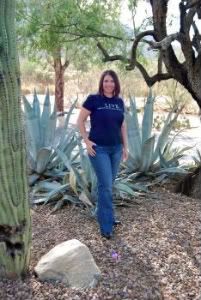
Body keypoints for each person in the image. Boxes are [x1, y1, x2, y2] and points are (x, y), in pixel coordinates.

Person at [77, 70, 128, 239]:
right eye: (106, 81)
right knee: (106, 186)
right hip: (99, 149)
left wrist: (125, 147)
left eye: (112, 81)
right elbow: (80, 121)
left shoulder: (119, 102)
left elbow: (122, 126)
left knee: (107, 185)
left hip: (116, 149)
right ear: (102, 83)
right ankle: (106, 226)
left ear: (116, 84)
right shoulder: (94, 100)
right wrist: (86, 140)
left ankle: (106, 215)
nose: (109, 84)